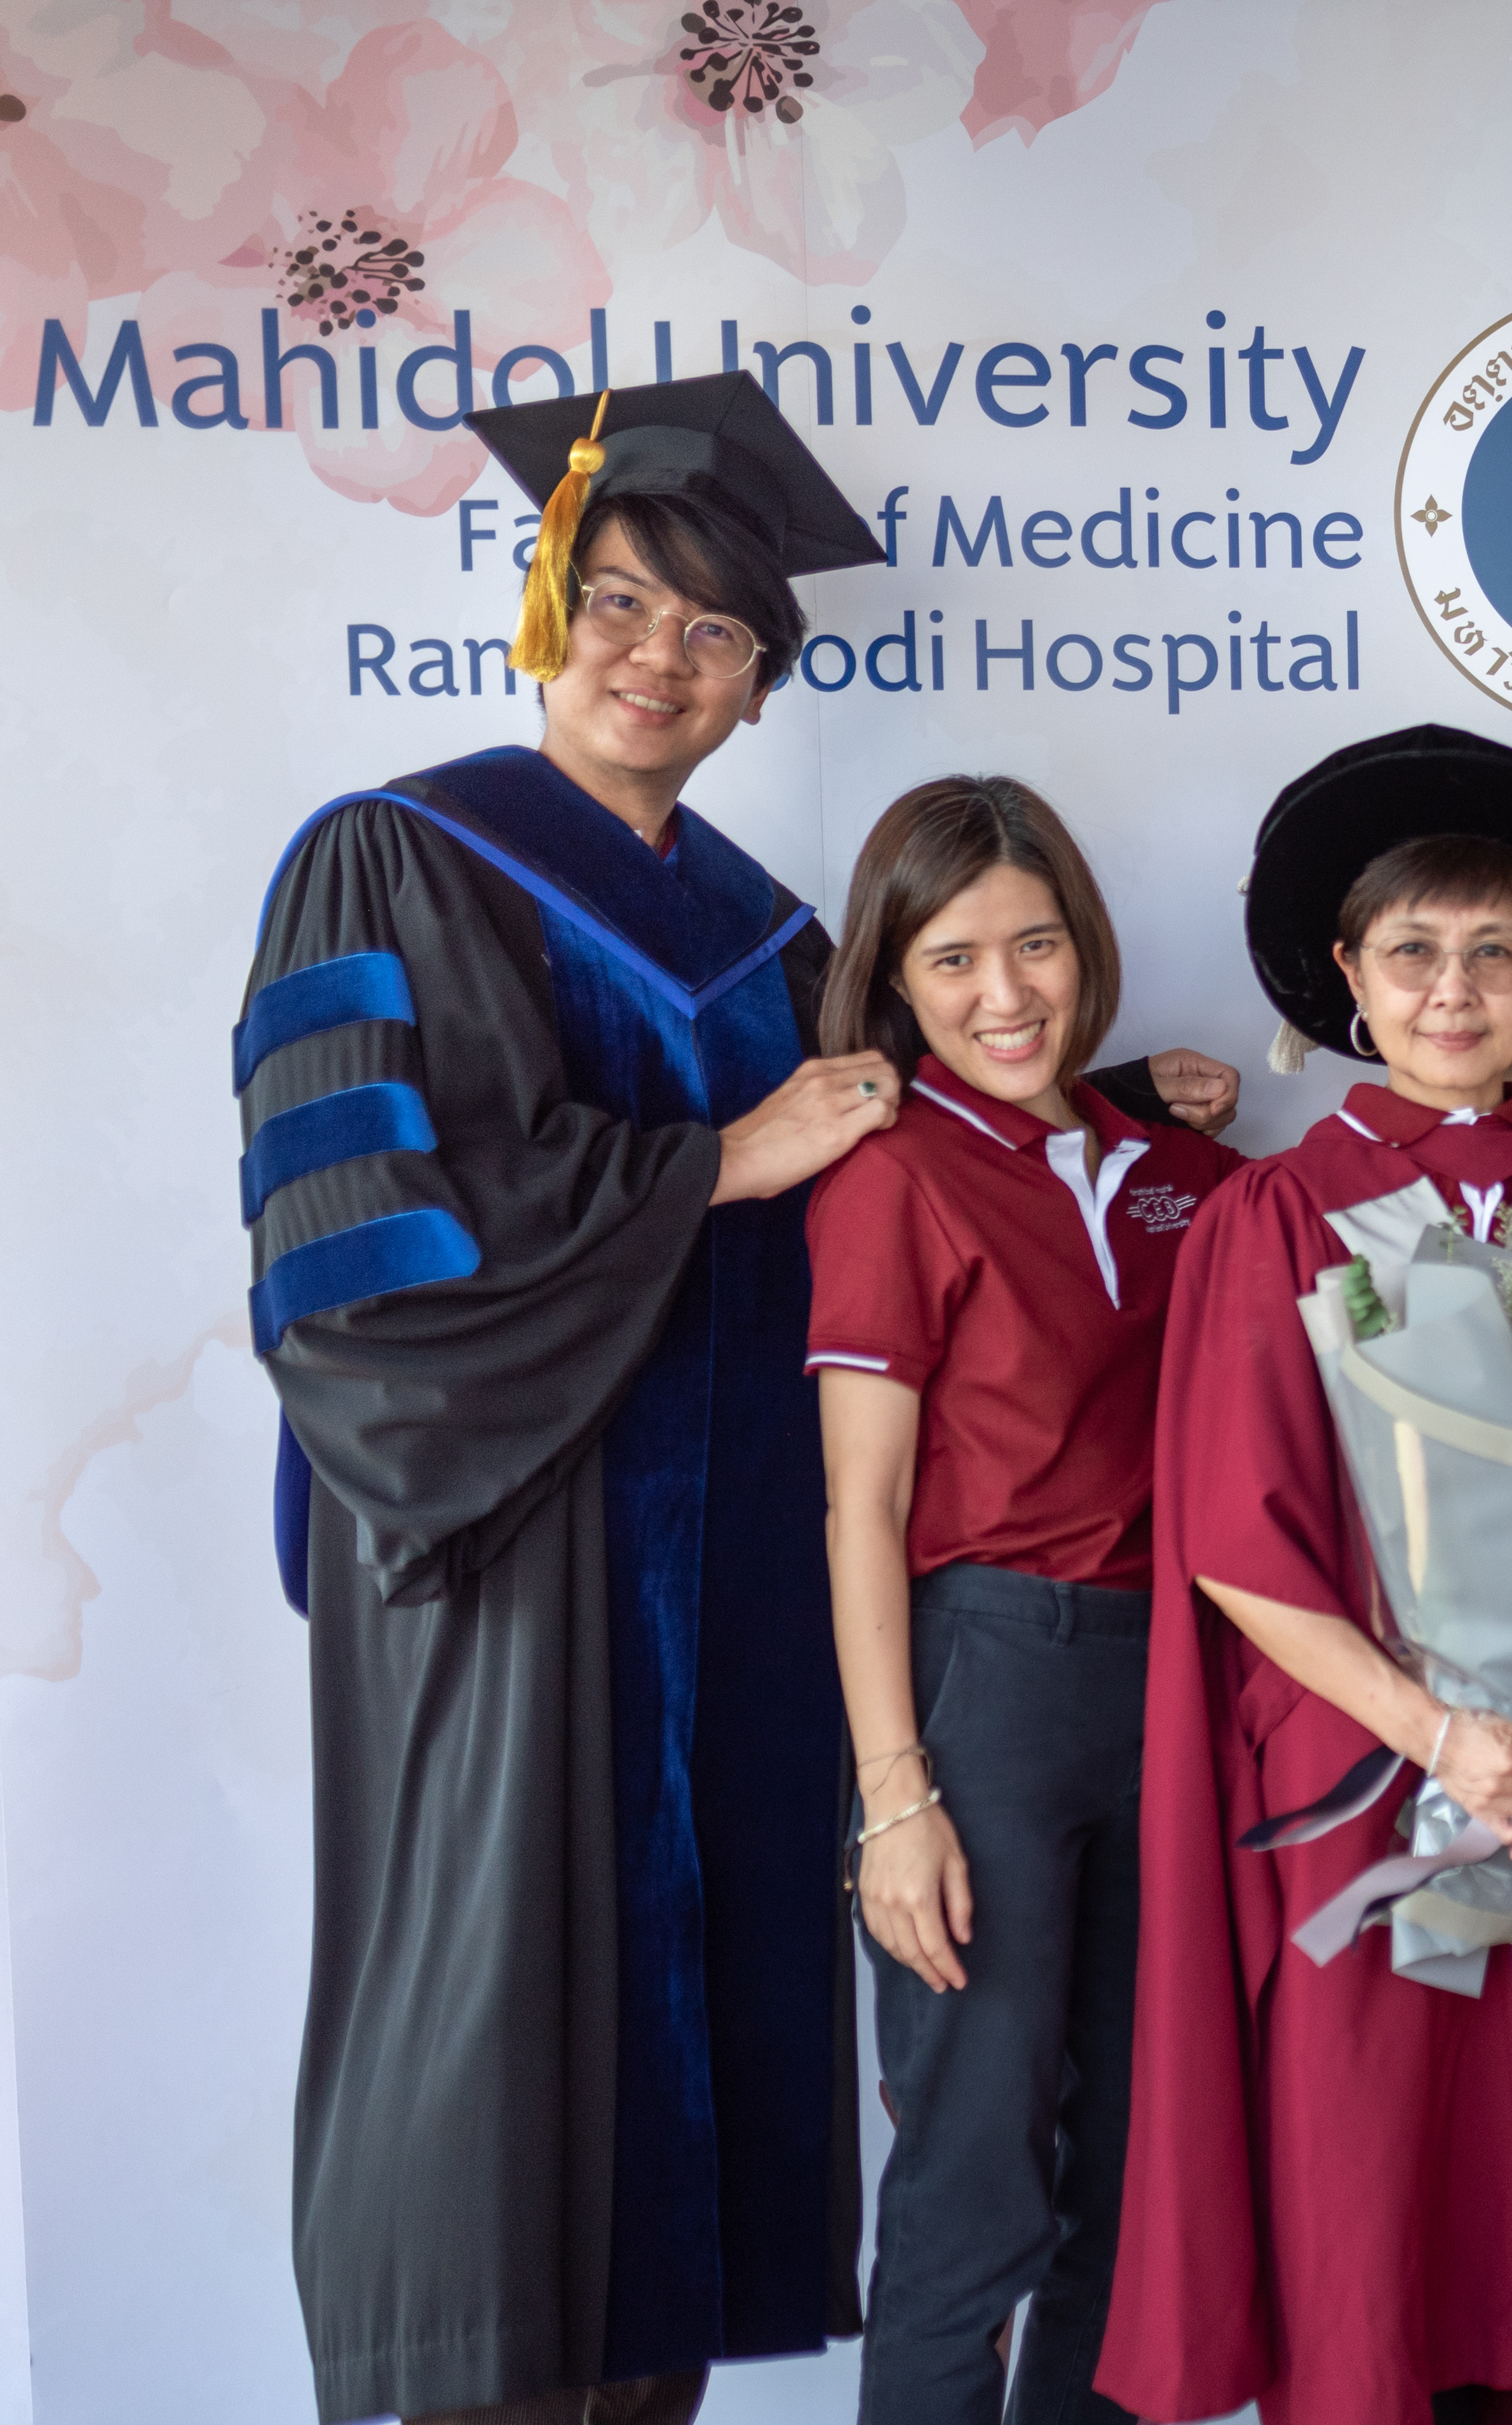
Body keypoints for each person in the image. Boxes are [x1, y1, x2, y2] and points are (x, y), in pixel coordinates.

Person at [240, 373, 1234, 2425]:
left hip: (747, 1608)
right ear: (544, 609)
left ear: (762, 686)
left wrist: (1109, 1109)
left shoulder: (771, 943)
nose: (655, 659)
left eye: (713, 635)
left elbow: (907, 1147)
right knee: (504, 2094)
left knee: (686, 2120)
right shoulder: (385, 863)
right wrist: (711, 1163)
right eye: (616, 605)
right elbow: (358, 1258)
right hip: (515, 1571)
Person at [1098, 727, 1512, 2425]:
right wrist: (1439, 1737)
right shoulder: (1277, 1217)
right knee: (1361, 2205)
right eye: (1415, 952)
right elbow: (1233, 1544)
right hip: (1359, 1780)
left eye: (1494, 951)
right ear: (1349, 973)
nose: (1455, 989)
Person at [804, 776, 1245, 2424]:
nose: (1007, 994)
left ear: (1088, 943)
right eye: (955, 961)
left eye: (1038, 944)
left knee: (1138, 2186)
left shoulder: (1171, 1160)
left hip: (1181, 1696)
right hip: (985, 1683)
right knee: (977, 2174)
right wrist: (895, 1795)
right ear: (896, 984)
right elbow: (863, 1502)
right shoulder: (890, 1172)